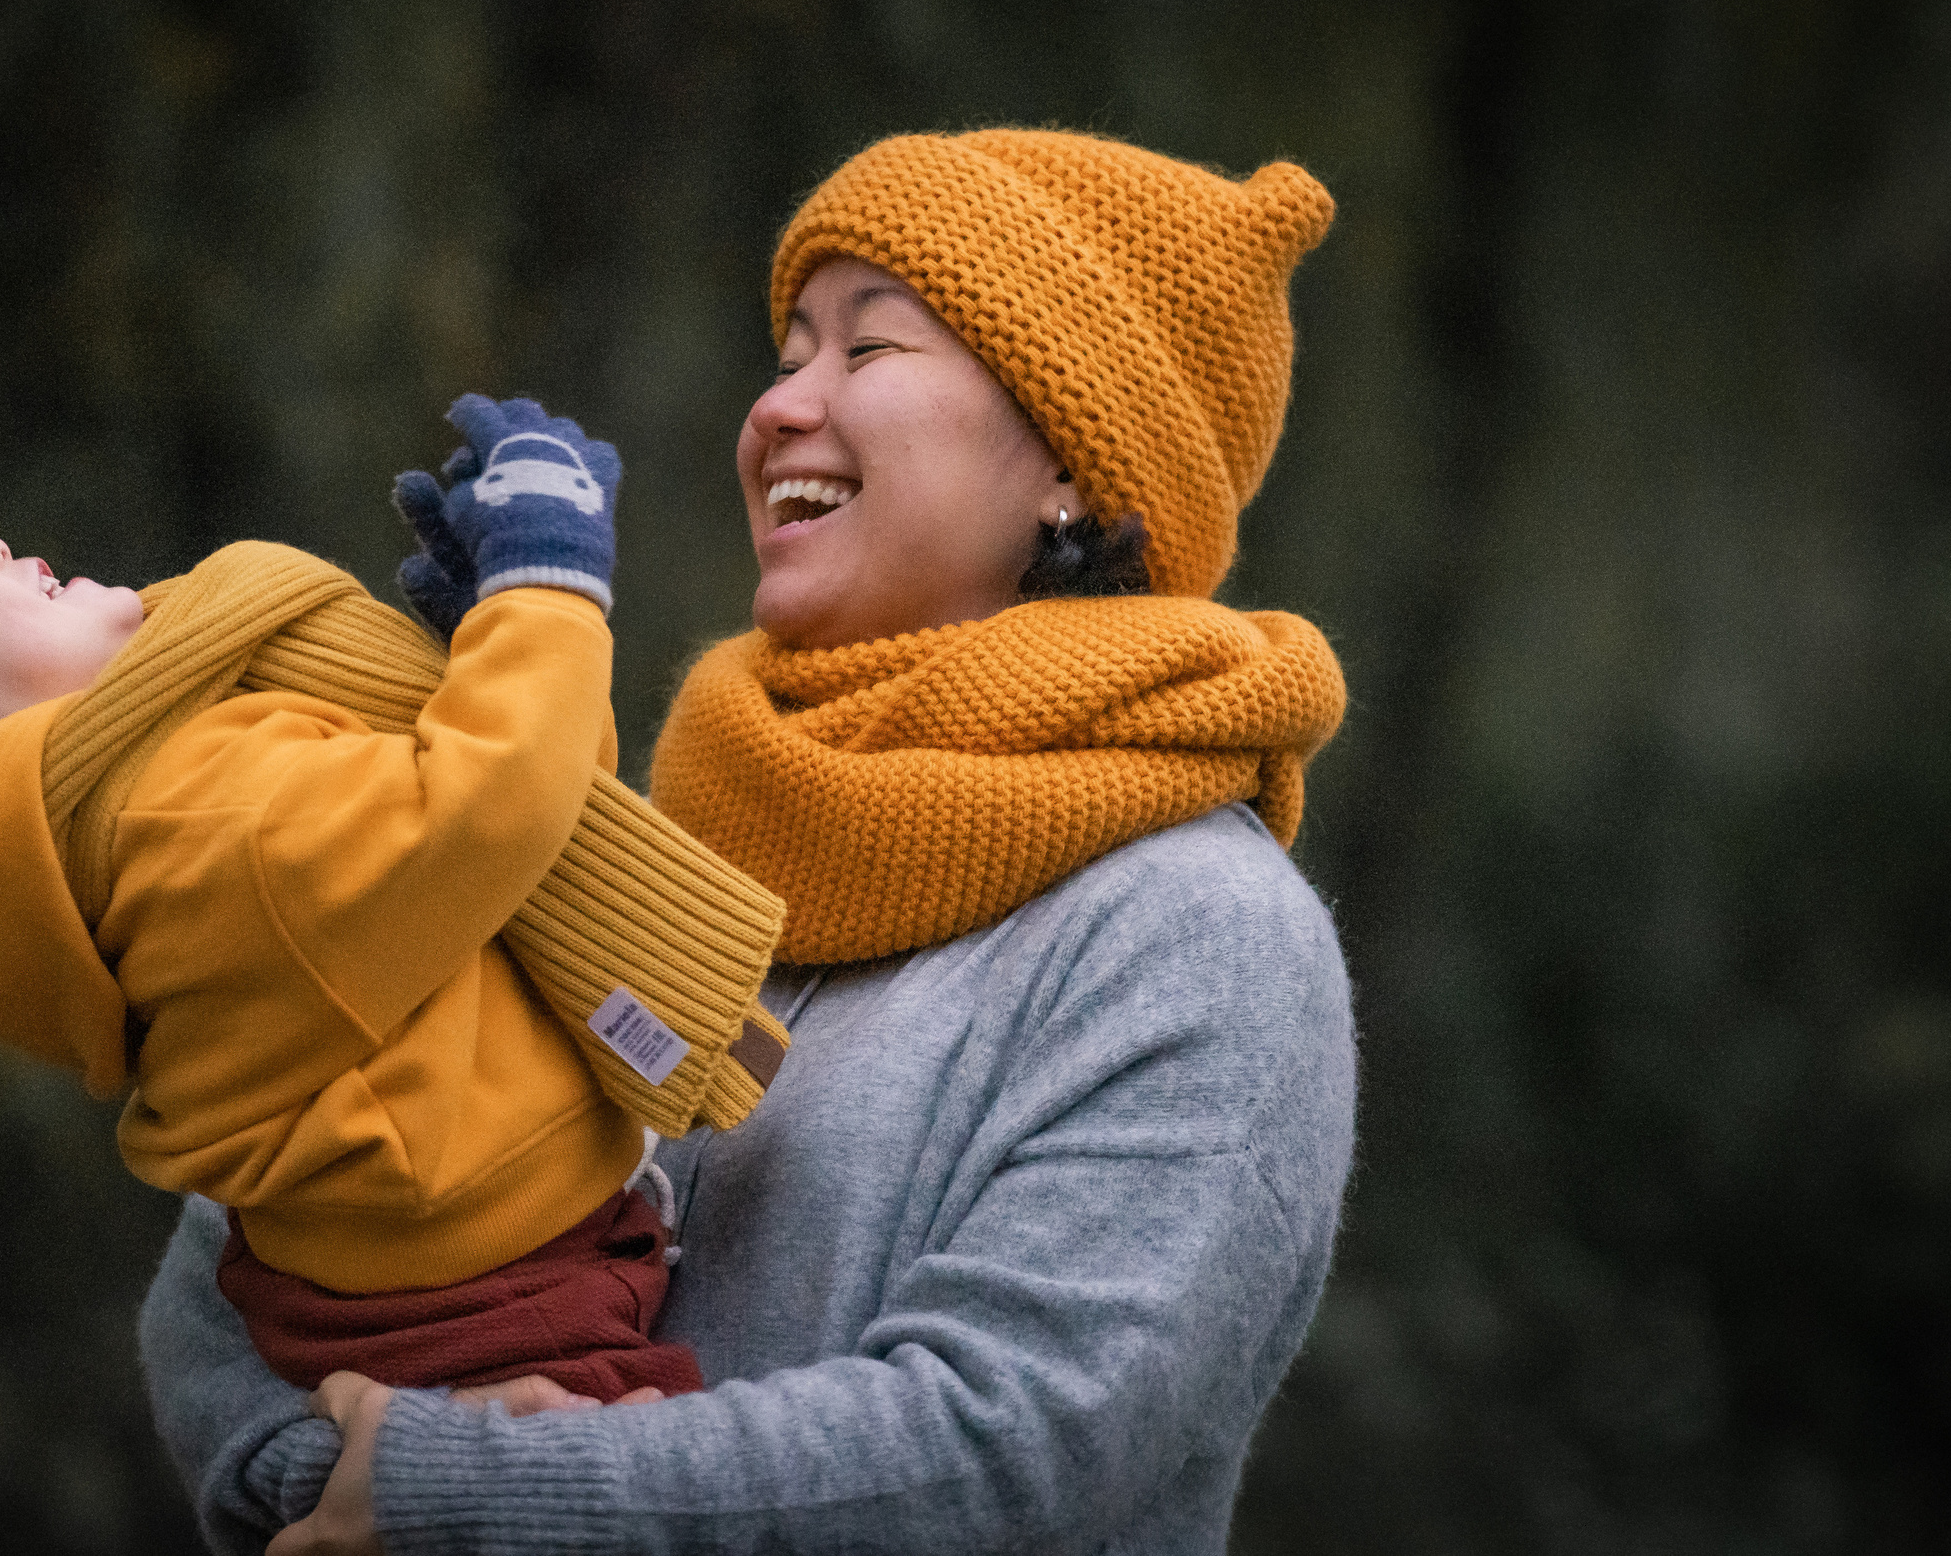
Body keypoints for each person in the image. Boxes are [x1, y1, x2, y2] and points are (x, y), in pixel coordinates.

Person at [136, 127, 1358, 1556]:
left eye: (872, 347)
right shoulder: (630, 845)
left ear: (1073, 468)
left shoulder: (1198, 934)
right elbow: (230, 1252)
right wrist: (334, 1487)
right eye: (787, 354)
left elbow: (1013, 1442)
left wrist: (466, 1493)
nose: (782, 407)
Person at [0, 395, 793, 1406]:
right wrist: (548, 584)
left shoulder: (154, 818)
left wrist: (477, 654)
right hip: (504, 1325)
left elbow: (515, 865)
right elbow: (492, 811)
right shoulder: (191, 829)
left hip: (471, 1275)